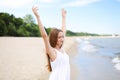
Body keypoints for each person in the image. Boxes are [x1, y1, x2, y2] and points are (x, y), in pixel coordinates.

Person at [32, 6, 70, 80]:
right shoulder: (52, 52)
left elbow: (63, 31)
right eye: (59, 37)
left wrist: (63, 18)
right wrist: (37, 17)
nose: (62, 39)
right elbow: (44, 36)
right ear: (54, 38)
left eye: (62, 37)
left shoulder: (61, 50)